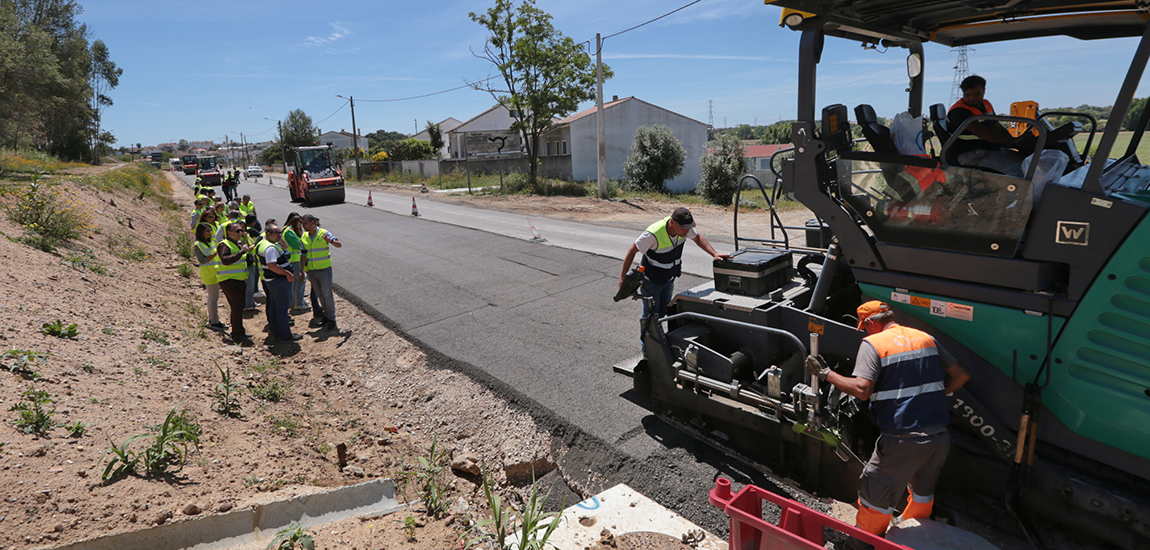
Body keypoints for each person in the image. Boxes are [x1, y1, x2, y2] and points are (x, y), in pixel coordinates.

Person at [805, 301, 971, 540]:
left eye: (865, 327)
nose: (864, 331)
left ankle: (863, 545)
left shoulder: (874, 344)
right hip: (938, 438)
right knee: (922, 493)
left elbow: (862, 389)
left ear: (872, 322)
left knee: (876, 492)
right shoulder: (926, 338)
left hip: (903, 439)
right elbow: (961, 376)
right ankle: (911, 539)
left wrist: (825, 373)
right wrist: (929, 395)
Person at [619, 207, 730, 349]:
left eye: (689, 228)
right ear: (672, 223)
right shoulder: (653, 234)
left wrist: (714, 254)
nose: (687, 232)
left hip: (668, 278)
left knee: (663, 312)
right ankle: (648, 350)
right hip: (651, 281)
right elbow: (631, 250)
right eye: (684, 229)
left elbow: (698, 238)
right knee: (650, 315)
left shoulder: (684, 228)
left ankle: (661, 341)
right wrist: (623, 279)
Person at [946, 75, 1035, 177]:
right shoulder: (959, 111)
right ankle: (1017, 192)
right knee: (1019, 169)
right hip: (969, 154)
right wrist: (1013, 141)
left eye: (976, 94)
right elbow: (983, 132)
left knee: (1027, 162)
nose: (971, 99)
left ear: (984, 90)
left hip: (988, 149)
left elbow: (997, 126)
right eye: (967, 95)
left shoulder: (986, 104)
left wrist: (1015, 142)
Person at [258, 224, 301, 342]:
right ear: (268, 234)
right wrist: (287, 273)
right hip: (278, 281)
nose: (279, 235)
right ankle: (286, 335)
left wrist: (278, 237)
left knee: (274, 307)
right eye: (277, 233)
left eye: (280, 233)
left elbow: (284, 246)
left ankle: (276, 332)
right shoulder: (270, 248)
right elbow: (272, 265)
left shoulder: (265, 243)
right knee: (282, 309)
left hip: (271, 280)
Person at [301, 214, 341, 331]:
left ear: (313, 222)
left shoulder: (323, 233)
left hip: (324, 270)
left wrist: (331, 240)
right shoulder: (304, 236)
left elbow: (339, 244)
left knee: (327, 295)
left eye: (305, 223)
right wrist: (301, 270)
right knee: (320, 295)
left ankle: (332, 319)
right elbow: (303, 254)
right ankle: (327, 317)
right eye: (302, 224)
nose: (303, 226)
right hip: (312, 271)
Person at [217, 221, 255, 346]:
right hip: (229, 281)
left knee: (239, 306)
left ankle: (238, 331)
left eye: (242, 230)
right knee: (237, 307)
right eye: (237, 231)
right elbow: (226, 260)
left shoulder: (236, 244)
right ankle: (238, 334)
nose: (241, 233)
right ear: (229, 233)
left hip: (238, 280)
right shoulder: (224, 245)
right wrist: (242, 252)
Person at [193, 222, 226, 333]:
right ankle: (214, 322)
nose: (210, 232)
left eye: (210, 230)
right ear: (201, 232)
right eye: (207, 230)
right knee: (212, 298)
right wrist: (214, 254)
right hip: (208, 274)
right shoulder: (198, 244)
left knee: (215, 298)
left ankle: (214, 319)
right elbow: (202, 260)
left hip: (215, 273)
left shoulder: (211, 242)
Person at [282, 212, 308, 312]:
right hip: (294, 260)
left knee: (295, 281)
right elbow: (297, 245)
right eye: (299, 223)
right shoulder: (289, 232)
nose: (300, 225)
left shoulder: (288, 230)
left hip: (293, 260)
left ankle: (296, 300)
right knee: (301, 280)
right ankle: (299, 303)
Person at [243, 214, 262, 311]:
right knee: (249, 284)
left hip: (252, 260)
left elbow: (252, 244)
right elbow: (247, 247)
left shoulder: (247, 233)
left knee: (251, 283)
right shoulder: (249, 232)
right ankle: (248, 304)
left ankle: (250, 302)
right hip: (246, 262)